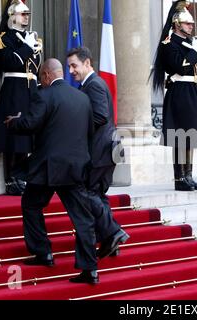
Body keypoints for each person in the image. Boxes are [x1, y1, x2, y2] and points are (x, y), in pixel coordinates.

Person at [5, 59, 99, 285]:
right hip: (74, 168)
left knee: (31, 204)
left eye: (41, 77)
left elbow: (31, 124)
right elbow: (90, 132)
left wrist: (13, 123)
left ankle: (43, 252)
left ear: (46, 76)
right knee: (83, 219)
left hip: (48, 168)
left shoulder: (44, 95)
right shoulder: (82, 97)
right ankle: (90, 270)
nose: (41, 81)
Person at [67, 47, 129, 259]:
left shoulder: (93, 85)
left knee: (89, 193)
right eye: (69, 67)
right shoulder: (92, 84)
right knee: (98, 196)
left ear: (87, 63)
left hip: (100, 150)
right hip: (105, 149)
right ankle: (111, 241)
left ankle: (113, 232)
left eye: (74, 65)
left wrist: (76, 131)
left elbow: (101, 117)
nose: (71, 71)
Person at [150, 1, 197, 192]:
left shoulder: (189, 43)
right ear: (177, 24)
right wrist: (195, 52)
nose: (191, 27)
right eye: (188, 24)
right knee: (181, 136)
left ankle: (189, 175)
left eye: (191, 24)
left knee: (192, 135)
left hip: (193, 92)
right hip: (180, 92)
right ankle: (179, 178)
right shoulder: (169, 44)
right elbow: (180, 66)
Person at [0, 0, 43, 196]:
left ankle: (24, 176)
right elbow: (10, 63)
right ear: (12, 17)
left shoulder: (33, 38)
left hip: (30, 90)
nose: (26, 16)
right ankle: (11, 180)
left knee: (28, 135)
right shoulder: (3, 39)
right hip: (14, 90)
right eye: (21, 13)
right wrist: (26, 47)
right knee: (13, 137)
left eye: (27, 13)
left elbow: (35, 69)